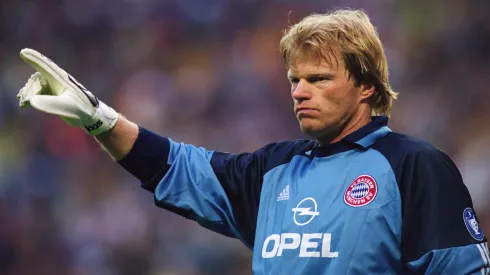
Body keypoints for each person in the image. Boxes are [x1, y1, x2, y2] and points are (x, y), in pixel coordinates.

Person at [16, 9, 489, 274]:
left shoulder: (414, 166)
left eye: (319, 78)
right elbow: (175, 166)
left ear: (367, 86)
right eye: (295, 79)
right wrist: (100, 119)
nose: (300, 91)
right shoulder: (273, 171)